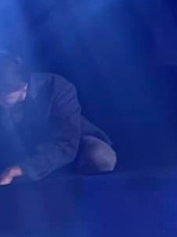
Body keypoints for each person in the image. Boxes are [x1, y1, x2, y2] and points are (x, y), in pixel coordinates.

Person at [0, 54, 116, 184]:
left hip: (71, 148)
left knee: (99, 156)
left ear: (22, 87)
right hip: (26, 151)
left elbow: (66, 144)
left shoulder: (56, 88)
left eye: (3, 92)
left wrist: (21, 169)